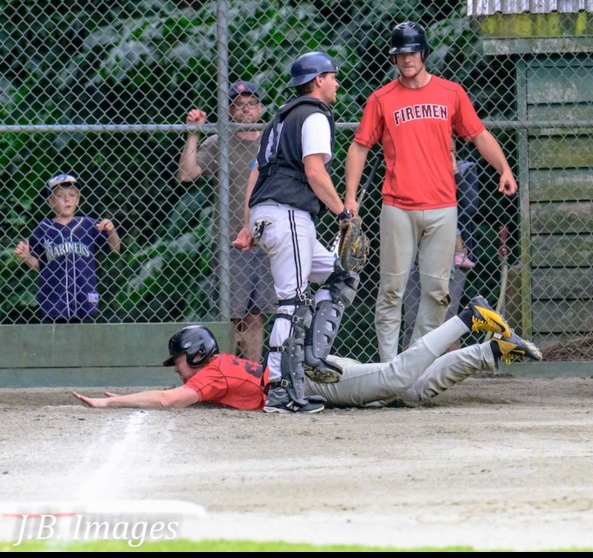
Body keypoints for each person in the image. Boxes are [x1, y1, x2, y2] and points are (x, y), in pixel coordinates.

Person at [344, 21, 518, 364]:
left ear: (423, 53)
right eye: (400, 54)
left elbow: (478, 134)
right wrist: (350, 197)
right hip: (398, 205)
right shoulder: (381, 99)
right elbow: (360, 146)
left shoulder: (450, 93)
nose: (407, 59)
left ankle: (416, 363)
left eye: (412, 52)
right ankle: (387, 365)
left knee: (437, 293)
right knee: (391, 289)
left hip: (442, 206)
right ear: (394, 59)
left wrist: (504, 168)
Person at [71, 296, 542, 411]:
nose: (176, 371)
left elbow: (169, 401)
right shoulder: (213, 368)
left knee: (399, 377)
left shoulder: (208, 376)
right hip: (311, 377)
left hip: (314, 382)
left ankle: (467, 318)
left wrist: (113, 402)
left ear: (194, 356)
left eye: (176, 361)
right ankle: (491, 352)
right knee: (415, 392)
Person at [232, 51, 353, 414]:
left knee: (339, 275)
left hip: (270, 213)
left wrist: (247, 222)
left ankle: (313, 356)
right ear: (318, 80)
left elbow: (257, 174)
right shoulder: (313, 115)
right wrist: (343, 213)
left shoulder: (278, 121)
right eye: (332, 76)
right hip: (288, 214)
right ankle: (281, 390)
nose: (335, 82)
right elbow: (315, 172)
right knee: (293, 301)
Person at [179, 79, 276, 362]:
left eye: (251, 104)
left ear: (259, 108)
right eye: (238, 105)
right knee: (234, 316)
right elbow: (187, 174)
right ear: (230, 112)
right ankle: (230, 372)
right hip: (231, 242)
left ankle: (253, 373)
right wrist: (193, 134)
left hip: (267, 240)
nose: (246, 110)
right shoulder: (220, 142)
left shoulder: (271, 141)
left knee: (257, 315)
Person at [14, 174, 122, 323]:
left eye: (72, 195)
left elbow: (115, 248)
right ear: (51, 201)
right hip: (54, 300)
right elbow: (39, 265)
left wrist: (111, 230)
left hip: (85, 296)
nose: (67, 199)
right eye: (59, 196)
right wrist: (26, 256)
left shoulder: (88, 225)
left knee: (85, 340)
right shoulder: (44, 229)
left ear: (78, 199)